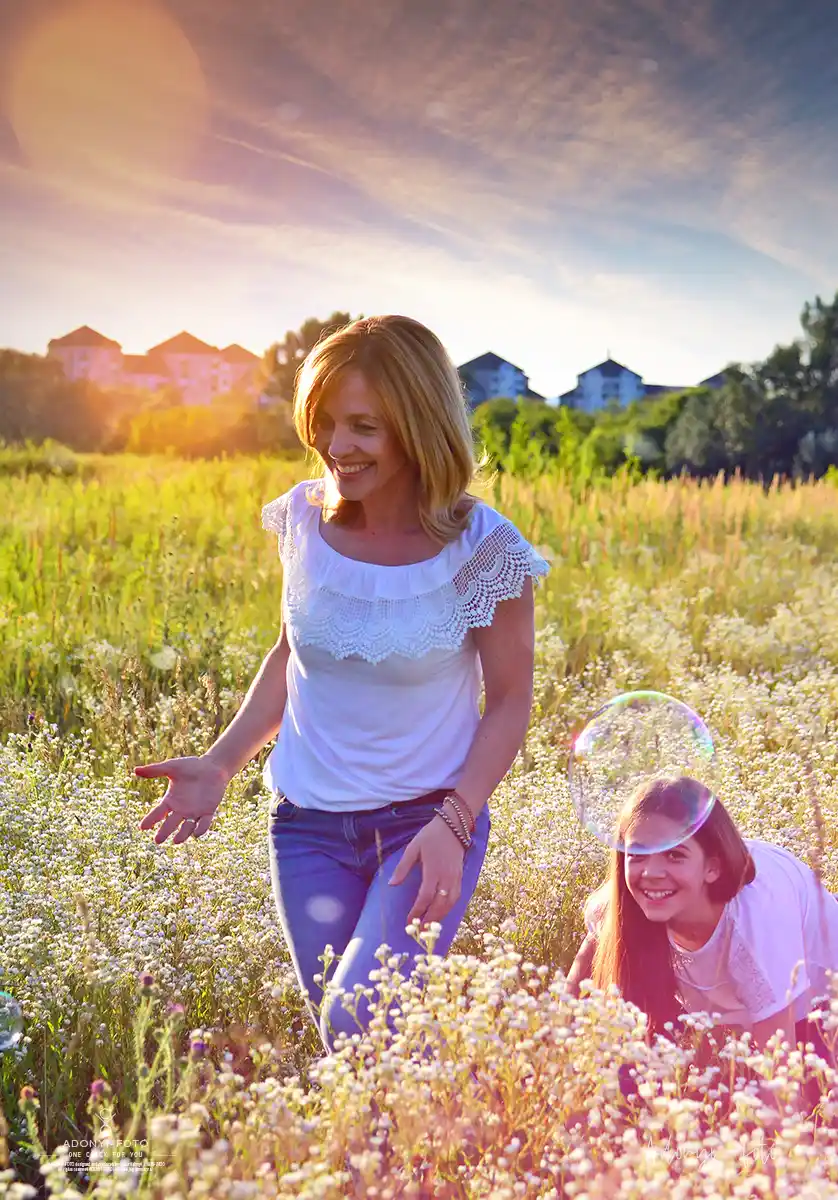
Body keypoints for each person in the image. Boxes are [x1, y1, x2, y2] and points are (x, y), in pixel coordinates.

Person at [134, 314, 550, 1052]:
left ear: (418, 424)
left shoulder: (486, 549)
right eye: (324, 422)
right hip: (306, 832)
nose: (336, 446)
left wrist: (456, 822)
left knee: (360, 1020)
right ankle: (414, 1155)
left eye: (364, 426)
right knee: (359, 1047)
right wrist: (221, 763)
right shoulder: (301, 518)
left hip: (424, 828)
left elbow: (511, 700)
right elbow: (290, 655)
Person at [567, 775, 838, 1107]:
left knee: (818, 1112)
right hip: (729, 1015)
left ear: (712, 867)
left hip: (819, 1009)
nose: (651, 872)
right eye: (637, 854)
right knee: (624, 1076)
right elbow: (573, 993)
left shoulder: (756, 924)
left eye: (675, 855)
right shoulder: (621, 907)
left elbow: (782, 1086)